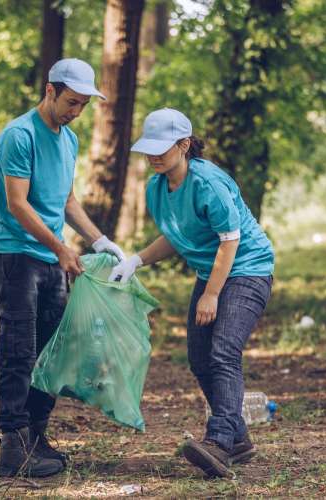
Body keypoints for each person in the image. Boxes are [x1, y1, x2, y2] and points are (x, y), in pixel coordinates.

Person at [109, 108, 274, 478]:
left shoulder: (208, 182)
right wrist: (135, 260)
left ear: (184, 145)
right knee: (200, 358)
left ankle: (218, 442)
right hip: (213, 271)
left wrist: (211, 294)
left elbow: (230, 241)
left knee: (224, 351)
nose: (153, 155)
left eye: (162, 148)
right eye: (148, 148)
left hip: (248, 268)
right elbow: (176, 235)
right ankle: (240, 439)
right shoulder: (157, 187)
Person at [0, 58, 126, 478]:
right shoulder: (19, 135)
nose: (75, 111)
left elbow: (66, 202)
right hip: (17, 256)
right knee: (19, 350)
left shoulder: (69, 140)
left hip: (52, 257)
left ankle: (36, 435)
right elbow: (17, 204)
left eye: (83, 105)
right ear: (50, 91)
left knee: (51, 354)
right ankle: (12, 446)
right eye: (71, 102)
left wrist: (100, 241)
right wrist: (62, 249)